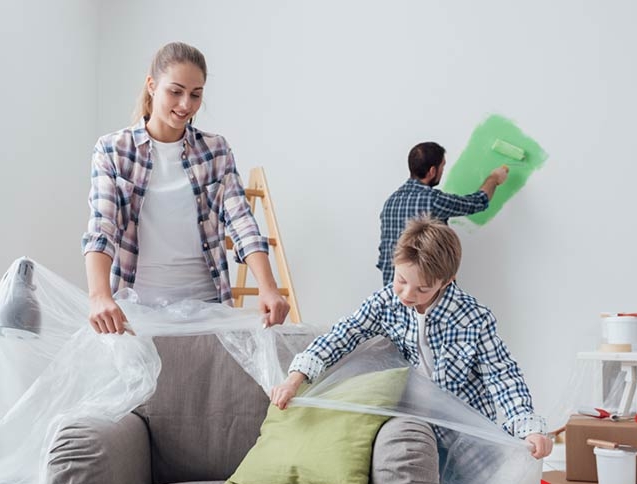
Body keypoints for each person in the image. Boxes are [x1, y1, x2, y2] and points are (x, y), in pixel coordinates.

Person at [271, 215, 552, 460]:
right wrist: (295, 378)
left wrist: (528, 427)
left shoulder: (473, 317)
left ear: (447, 281)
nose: (407, 294)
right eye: (401, 280)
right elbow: (342, 335)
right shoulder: (385, 303)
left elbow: (502, 375)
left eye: (422, 289)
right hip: (418, 421)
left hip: (468, 430)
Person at [82, 42, 290, 334]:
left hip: (206, 308)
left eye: (195, 94)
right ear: (152, 85)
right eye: (175, 91)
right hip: (137, 311)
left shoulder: (215, 150)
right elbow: (102, 227)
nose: (185, 105)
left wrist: (268, 287)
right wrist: (99, 296)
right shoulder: (113, 150)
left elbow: (242, 222)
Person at [376, 142, 509, 285]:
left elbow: (384, 251)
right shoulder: (432, 200)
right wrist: (494, 178)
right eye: (442, 166)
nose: (442, 171)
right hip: (425, 289)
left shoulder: (391, 202)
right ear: (432, 171)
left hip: (392, 287)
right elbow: (477, 202)